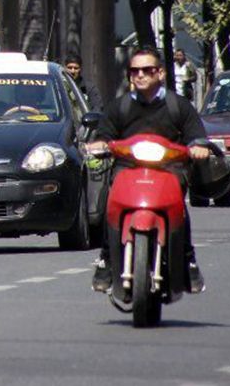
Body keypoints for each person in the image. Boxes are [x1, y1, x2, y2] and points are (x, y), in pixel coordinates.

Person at [85, 48, 211, 294]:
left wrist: (198, 148)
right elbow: (104, 136)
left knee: (179, 207)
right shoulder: (118, 108)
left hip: (169, 169)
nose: (141, 75)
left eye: (147, 70)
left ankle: (188, 258)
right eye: (135, 71)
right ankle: (107, 259)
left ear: (161, 73)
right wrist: (98, 145)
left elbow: (196, 136)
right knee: (112, 202)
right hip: (128, 168)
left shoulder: (179, 106)